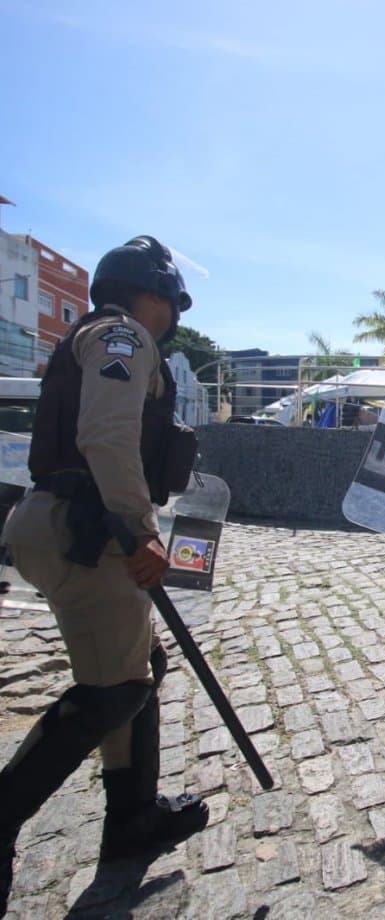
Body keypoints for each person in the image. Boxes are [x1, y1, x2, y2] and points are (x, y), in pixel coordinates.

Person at [0, 236, 207, 914]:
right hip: (87, 531)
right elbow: (108, 438)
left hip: (70, 524)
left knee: (140, 664)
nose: (173, 314)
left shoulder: (92, 335)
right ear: (150, 294)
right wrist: (143, 532)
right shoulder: (123, 335)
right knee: (117, 688)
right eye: (171, 301)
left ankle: (133, 818)